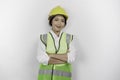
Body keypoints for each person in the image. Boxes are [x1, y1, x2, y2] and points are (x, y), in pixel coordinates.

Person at [37, 5, 76, 80]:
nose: (59, 23)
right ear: (51, 21)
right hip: (45, 78)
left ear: (64, 24)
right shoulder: (43, 38)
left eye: (62, 21)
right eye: (56, 19)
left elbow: (72, 58)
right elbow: (41, 58)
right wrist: (64, 57)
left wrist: (51, 55)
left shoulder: (69, 38)